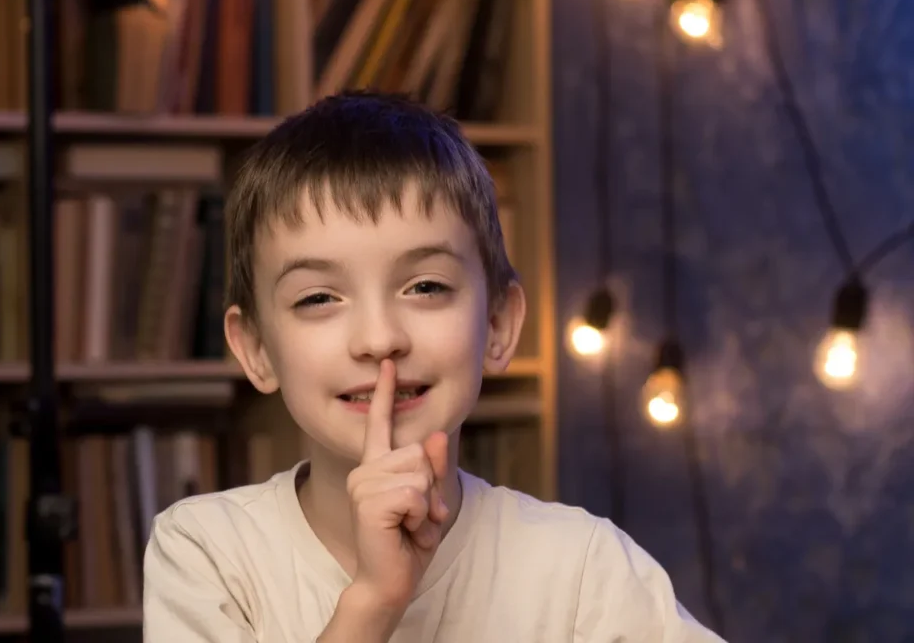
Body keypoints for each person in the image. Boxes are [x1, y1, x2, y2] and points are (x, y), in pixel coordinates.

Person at [141, 92, 724, 642]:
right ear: (256, 350)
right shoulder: (207, 550)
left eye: (425, 286)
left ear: (497, 325)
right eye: (318, 298)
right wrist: (372, 602)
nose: (379, 339)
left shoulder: (581, 569)